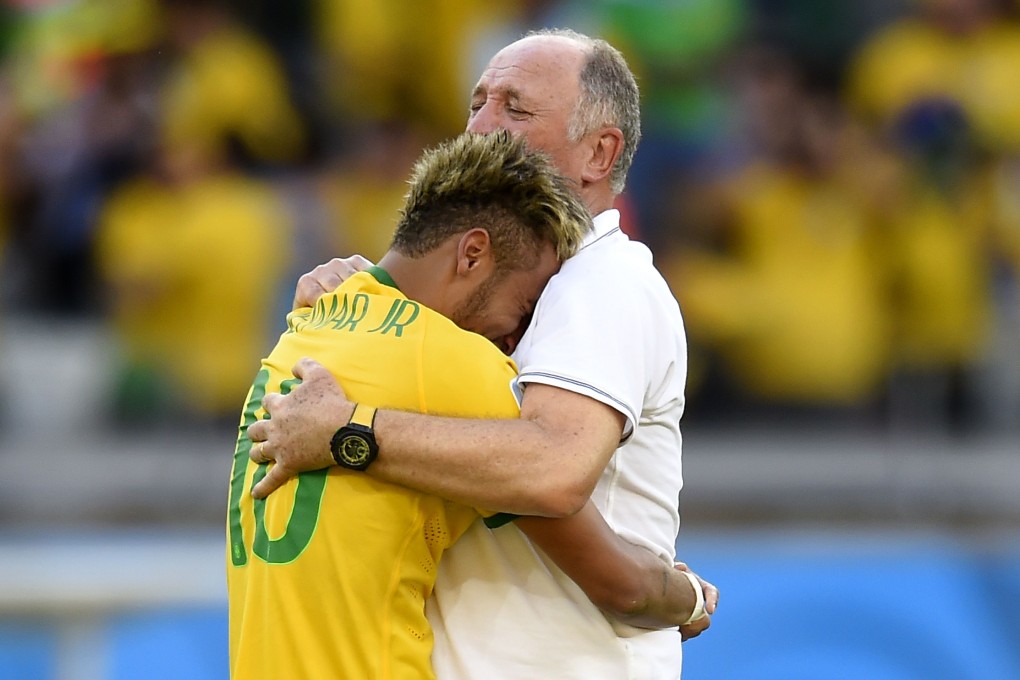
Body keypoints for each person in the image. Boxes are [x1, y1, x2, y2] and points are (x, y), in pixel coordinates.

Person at [247, 29, 717, 678]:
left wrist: (351, 429)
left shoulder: (603, 284)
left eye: (515, 109)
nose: (480, 127)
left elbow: (553, 471)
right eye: (477, 103)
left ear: (599, 152)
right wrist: (366, 301)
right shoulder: (445, 324)